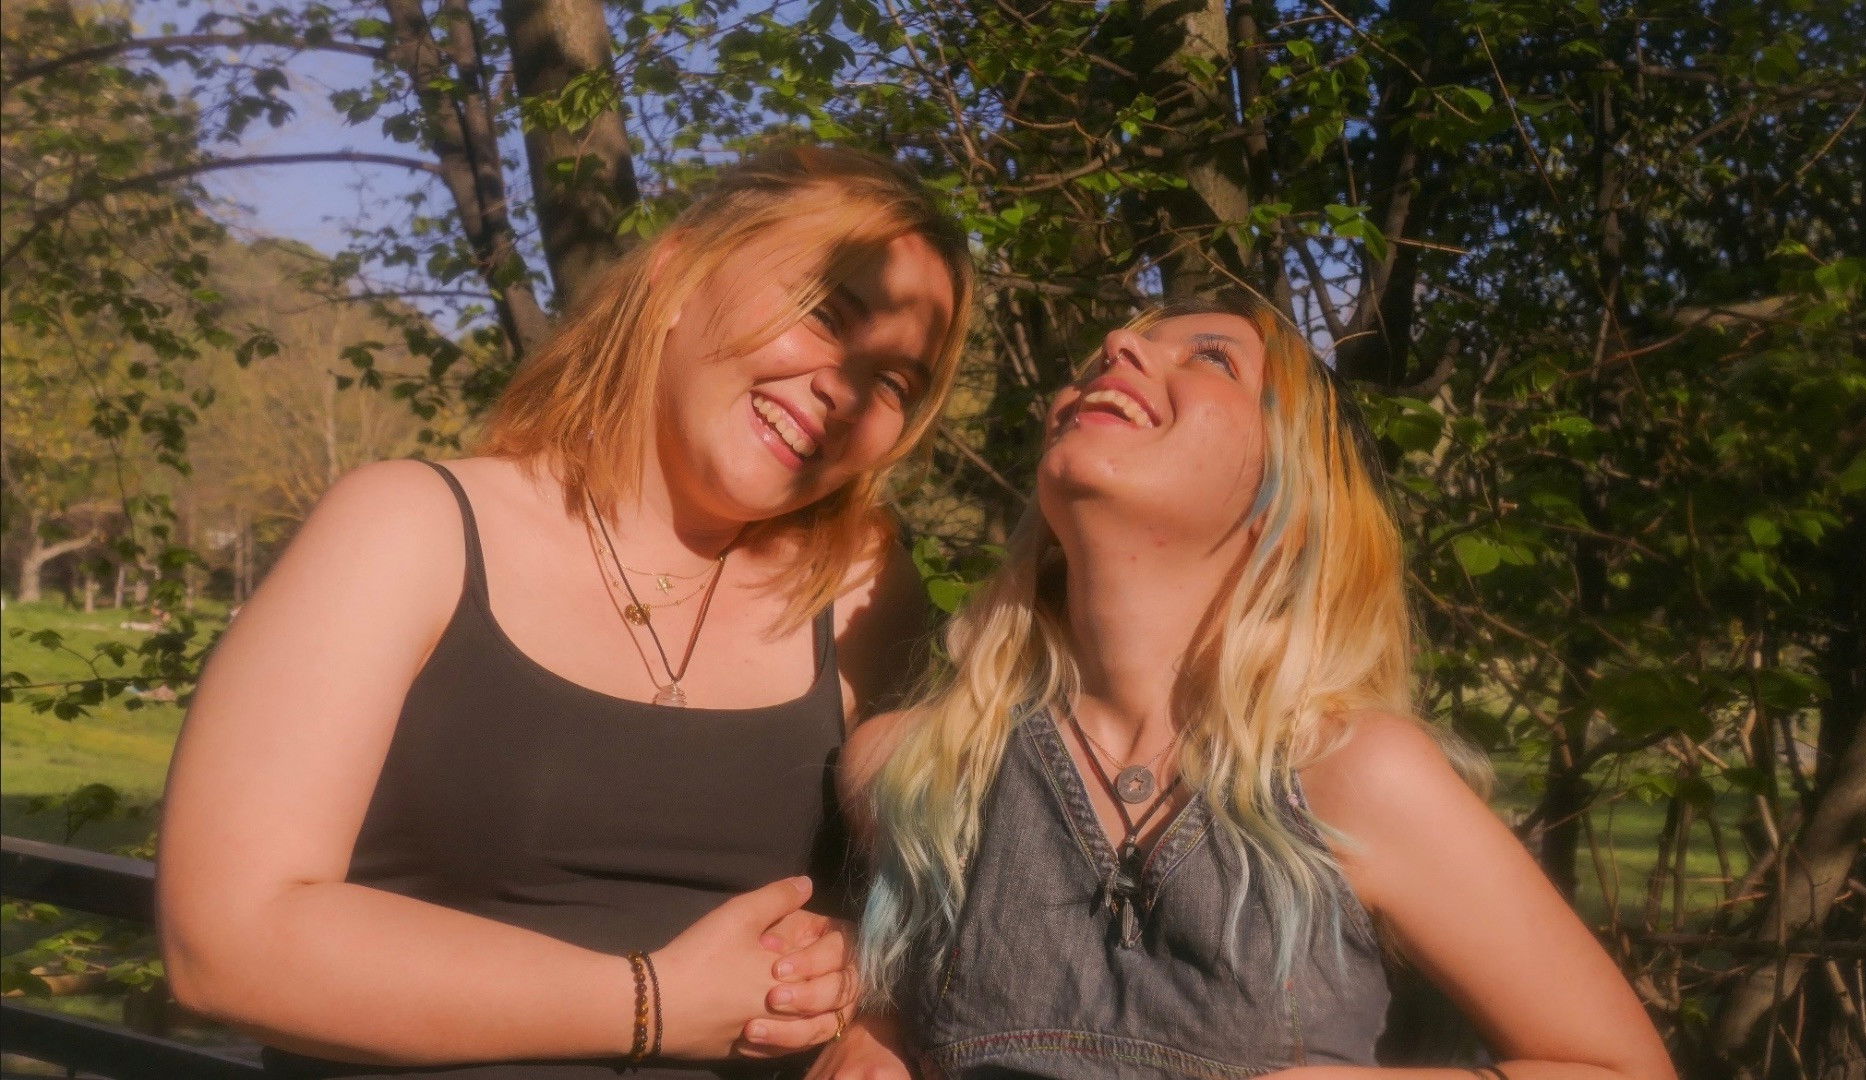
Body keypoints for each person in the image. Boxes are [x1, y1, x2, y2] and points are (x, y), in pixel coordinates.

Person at [156, 145, 973, 1078]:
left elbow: (944, 887)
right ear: (675, 276)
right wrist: (653, 1003)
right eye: (826, 313)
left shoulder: (861, 588)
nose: (846, 388)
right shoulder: (408, 529)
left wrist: (884, 1010)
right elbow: (227, 942)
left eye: (895, 384)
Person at [813, 295, 1677, 1079]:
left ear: (1288, 500)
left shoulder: (1356, 777)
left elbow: (1621, 1069)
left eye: (1212, 358)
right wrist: (874, 1021)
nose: (1114, 344)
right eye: (1107, 352)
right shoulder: (913, 773)